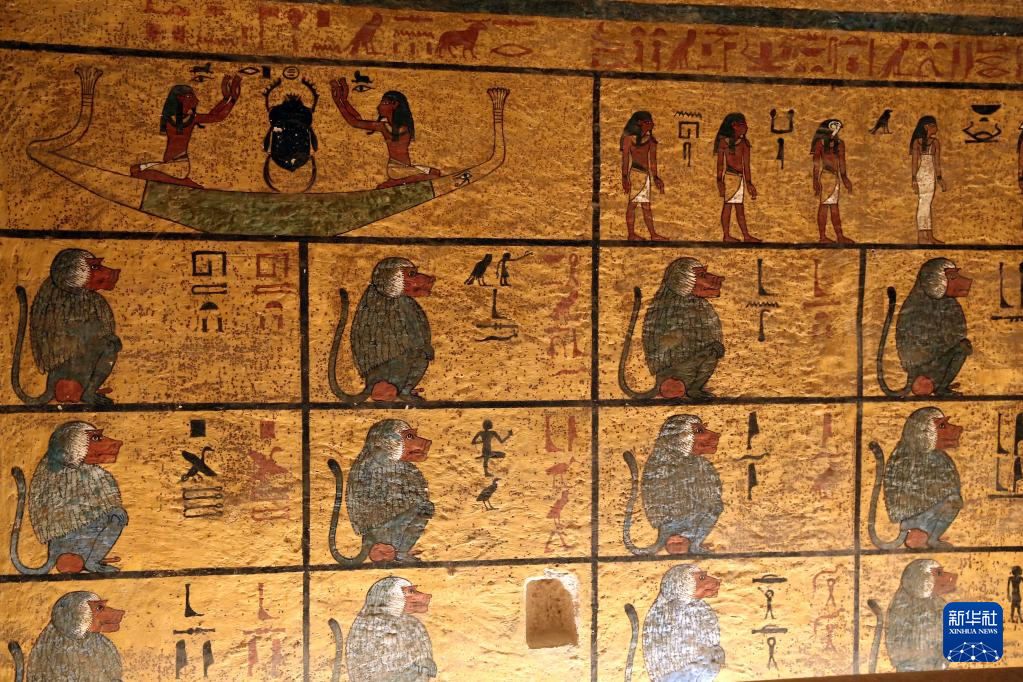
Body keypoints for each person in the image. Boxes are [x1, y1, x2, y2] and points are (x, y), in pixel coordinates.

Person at [130, 76, 242, 189]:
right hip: (170, 164)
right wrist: (230, 99)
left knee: (137, 173)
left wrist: (228, 99)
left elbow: (216, 116)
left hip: (179, 165)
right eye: (190, 96)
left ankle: (184, 182)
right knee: (135, 170)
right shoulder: (177, 118)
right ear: (180, 98)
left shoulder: (187, 119)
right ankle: (184, 182)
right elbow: (215, 116)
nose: (196, 100)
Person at [330, 77, 440, 189]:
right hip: (396, 169)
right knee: (433, 176)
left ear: (395, 104)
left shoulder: (395, 127)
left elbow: (356, 121)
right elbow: (356, 121)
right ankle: (394, 183)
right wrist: (342, 101)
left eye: (384, 103)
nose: (379, 106)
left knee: (435, 173)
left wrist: (341, 101)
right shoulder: (386, 126)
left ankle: (395, 182)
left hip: (404, 168)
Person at [714, 113, 761, 243]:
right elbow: (720, 164)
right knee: (729, 206)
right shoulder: (724, 143)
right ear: (734, 126)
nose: (746, 127)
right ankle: (727, 235)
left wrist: (749, 182)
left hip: (739, 179)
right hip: (730, 177)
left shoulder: (744, 144)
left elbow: (746, 165)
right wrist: (719, 181)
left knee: (738, 207)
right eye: (743, 124)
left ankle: (745, 235)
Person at [620, 111, 666, 241]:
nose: (652, 124)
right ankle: (632, 234)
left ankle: (652, 234)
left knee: (645, 206)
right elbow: (625, 159)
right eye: (648, 122)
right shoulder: (629, 139)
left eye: (651, 122)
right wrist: (624, 177)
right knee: (633, 205)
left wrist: (655, 177)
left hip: (645, 176)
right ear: (640, 123)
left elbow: (653, 161)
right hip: (636, 174)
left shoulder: (651, 140)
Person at [810, 119, 854, 243]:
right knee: (825, 206)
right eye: (834, 127)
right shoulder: (821, 143)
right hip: (826, 177)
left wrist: (845, 178)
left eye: (837, 128)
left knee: (834, 207)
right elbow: (816, 164)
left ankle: (839, 236)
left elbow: (842, 163)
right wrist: (815, 180)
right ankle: (823, 237)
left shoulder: (839, 144)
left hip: (834, 178)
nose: (836, 130)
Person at [910, 115, 948, 244]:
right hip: (922, 175)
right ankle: (922, 237)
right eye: (934, 126)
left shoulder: (935, 142)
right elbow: (914, 162)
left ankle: (929, 236)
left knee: (927, 205)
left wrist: (939, 178)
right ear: (927, 127)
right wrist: (914, 179)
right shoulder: (917, 142)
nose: (936, 129)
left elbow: (937, 163)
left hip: (931, 175)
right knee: (923, 205)